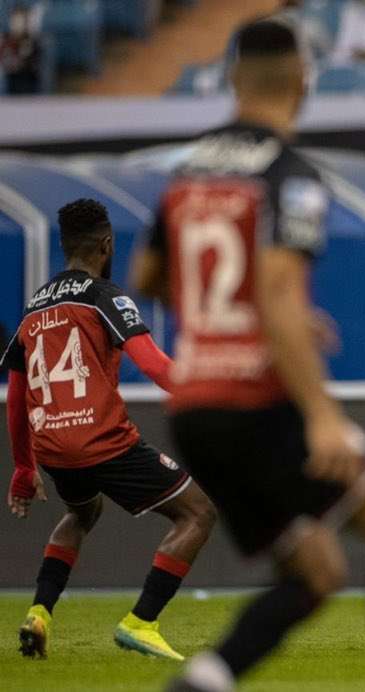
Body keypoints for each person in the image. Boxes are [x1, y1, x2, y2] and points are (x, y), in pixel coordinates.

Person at [130, 18, 365, 692]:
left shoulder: (186, 172)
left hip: (193, 411)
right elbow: (274, 289)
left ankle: (206, 679)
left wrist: (243, 316)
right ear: (303, 83)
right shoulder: (291, 175)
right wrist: (322, 414)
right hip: (260, 406)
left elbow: (148, 275)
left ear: (233, 80)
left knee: (316, 572)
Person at [2, 199, 216, 661]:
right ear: (107, 243)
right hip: (103, 443)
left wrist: (23, 468)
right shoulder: (105, 295)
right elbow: (154, 363)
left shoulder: (32, 310)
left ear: (63, 246)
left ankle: (39, 611)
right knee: (197, 513)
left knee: (82, 513)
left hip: (54, 450)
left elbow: (16, 399)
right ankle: (142, 622)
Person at [0, 4, 43, 94]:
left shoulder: (33, 40)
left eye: (21, 21)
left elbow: (35, 64)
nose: (18, 24)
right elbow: (5, 60)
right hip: (10, 80)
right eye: (15, 21)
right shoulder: (6, 39)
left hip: (29, 82)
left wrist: (25, 51)